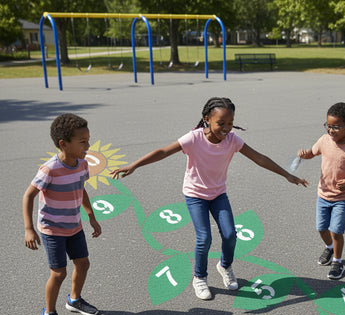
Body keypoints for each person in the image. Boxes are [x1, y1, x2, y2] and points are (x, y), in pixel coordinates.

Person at [110, 97, 308, 300]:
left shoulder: (233, 140)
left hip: (218, 194)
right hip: (195, 195)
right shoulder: (193, 138)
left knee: (230, 235)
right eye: (220, 123)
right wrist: (133, 165)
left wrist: (287, 174)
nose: (226, 128)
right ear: (207, 119)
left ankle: (224, 265)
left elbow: (259, 158)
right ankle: (199, 278)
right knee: (204, 238)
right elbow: (163, 152)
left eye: (230, 123)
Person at [23, 113, 102, 315]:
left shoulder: (82, 164)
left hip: (74, 226)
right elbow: (28, 196)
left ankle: (74, 300)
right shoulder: (50, 169)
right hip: (52, 229)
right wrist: (29, 228)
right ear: (63, 144)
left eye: (88, 139)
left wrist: (91, 216)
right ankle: (48, 313)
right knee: (58, 274)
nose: (88, 145)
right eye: (83, 141)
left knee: (83, 264)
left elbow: (81, 188)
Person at [297, 102, 345, 279]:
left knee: (336, 231)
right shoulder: (324, 140)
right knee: (322, 228)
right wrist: (304, 154)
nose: (331, 130)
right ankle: (329, 248)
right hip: (323, 194)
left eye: (336, 127)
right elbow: (312, 152)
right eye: (328, 126)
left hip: (342, 197)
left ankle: (338, 261)